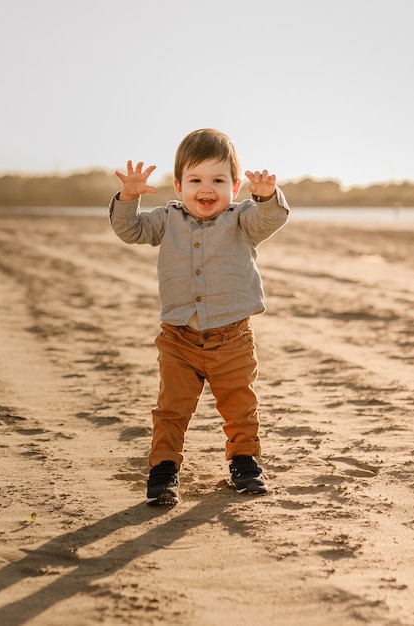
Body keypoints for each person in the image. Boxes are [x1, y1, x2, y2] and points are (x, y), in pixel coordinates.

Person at [109, 128, 289, 506]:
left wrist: (267, 196)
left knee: (240, 405)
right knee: (171, 408)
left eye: (218, 180)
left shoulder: (243, 218)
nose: (206, 189)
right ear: (178, 186)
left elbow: (269, 220)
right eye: (195, 180)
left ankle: (245, 462)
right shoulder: (165, 219)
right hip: (178, 339)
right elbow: (130, 230)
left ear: (235, 186)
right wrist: (128, 197)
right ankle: (164, 470)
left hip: (232, 338)